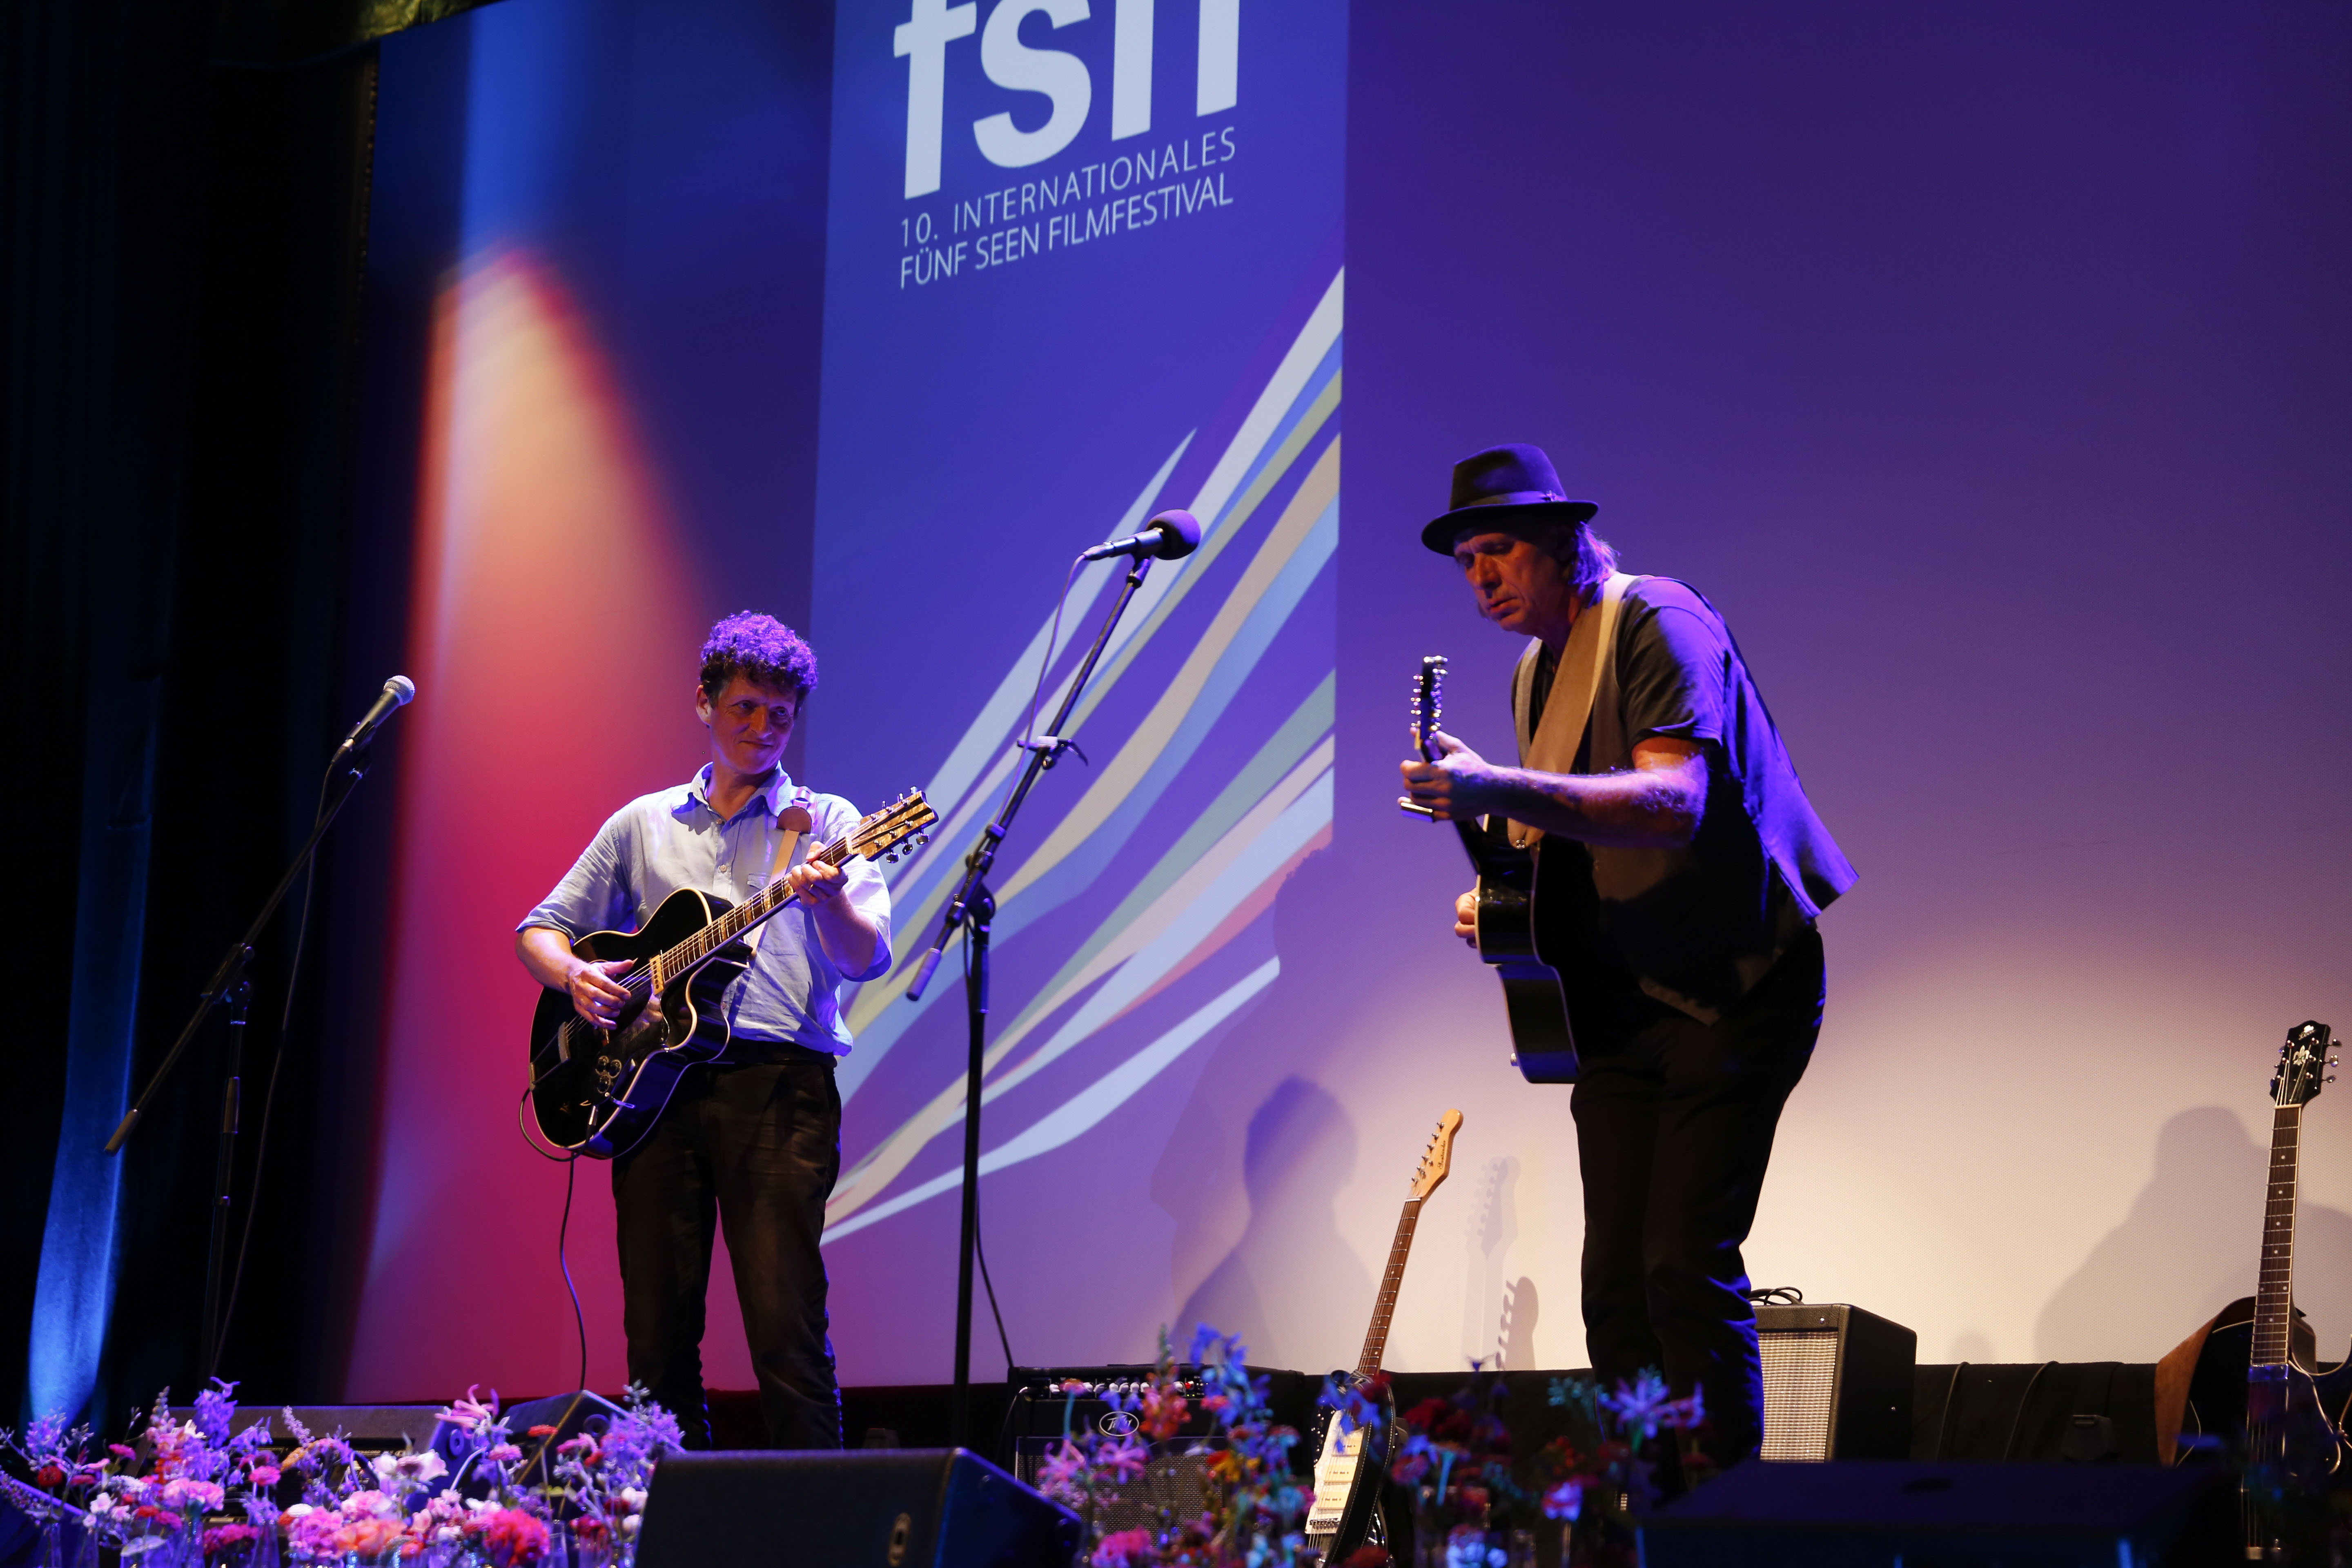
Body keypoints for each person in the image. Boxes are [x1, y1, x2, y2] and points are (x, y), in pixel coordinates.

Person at [1399, 444, 1855, 1470]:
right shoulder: (1534, 674)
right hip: (1619, 1011)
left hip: (1734, 988)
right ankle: (1653, 1514)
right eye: (1467, 560)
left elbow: (1673, 802)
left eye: (1500, 549)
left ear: (1565, 542)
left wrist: (1495, 787)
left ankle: (1726, 1527)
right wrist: (1501, 901)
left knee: (1683, 1266)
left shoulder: (1659, 618)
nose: (1481, 576)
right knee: (1614, 1289)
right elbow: (1568, 843)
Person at [516, 611, 891, 1450]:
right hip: (652, 1094)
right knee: (656, 1340)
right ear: (704, 704)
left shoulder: (830, 822)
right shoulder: (643, 824)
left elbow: (867, 958)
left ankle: (819, 1517)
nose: (763, 728)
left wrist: (830, 902)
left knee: (786, 1328)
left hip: (780, 1089)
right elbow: (539, 930)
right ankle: (666, 1510)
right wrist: (575, 976)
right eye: (745, 708)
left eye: (780, 714)